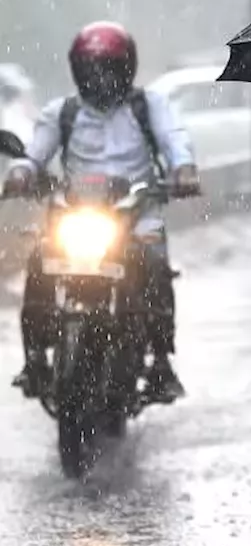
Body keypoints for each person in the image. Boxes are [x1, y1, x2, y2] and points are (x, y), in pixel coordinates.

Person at [7, 21, 199, 402]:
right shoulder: (61, 112)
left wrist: (183, 168)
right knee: (39, 264)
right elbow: (35, 153)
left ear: (126, 67)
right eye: (92, 68)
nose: (100, 77)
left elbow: (174, 139)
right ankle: (35, 360)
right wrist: (21, 172)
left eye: (109, 68)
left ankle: (161, 363)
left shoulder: (149, 107)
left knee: (156, 266)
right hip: (77, 214)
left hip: (136, 213)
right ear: (78, 69)